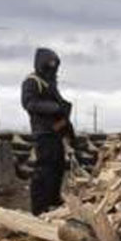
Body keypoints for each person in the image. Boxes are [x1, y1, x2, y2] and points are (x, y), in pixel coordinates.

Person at [21, 47, 75, 215]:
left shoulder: (50, 82)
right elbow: (29, 103)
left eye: (55, 64)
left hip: (56, 131)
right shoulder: (32, 81)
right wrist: (54, 108)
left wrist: (68, 130)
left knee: (58, 167)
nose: (53, 67)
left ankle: (53, 200)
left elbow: (59, 106)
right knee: (44, 170)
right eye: (50, 63)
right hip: (43, 133)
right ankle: (39, 207)